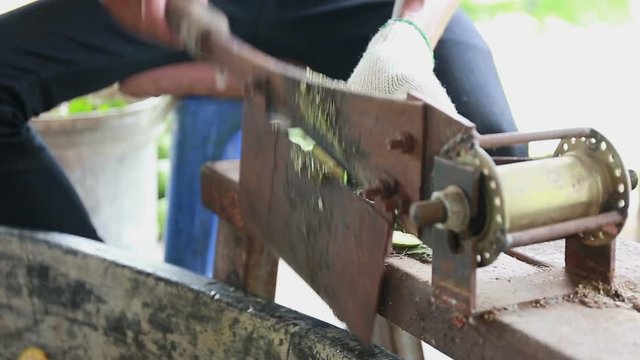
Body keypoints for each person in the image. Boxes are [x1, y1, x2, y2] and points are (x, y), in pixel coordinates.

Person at [0, 0, 525, 242]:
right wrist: (260, 75)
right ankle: (95, 299)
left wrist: (409, 37)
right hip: (209, 9)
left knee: (500, 162)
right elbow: (141, 81)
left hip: (364, 9)